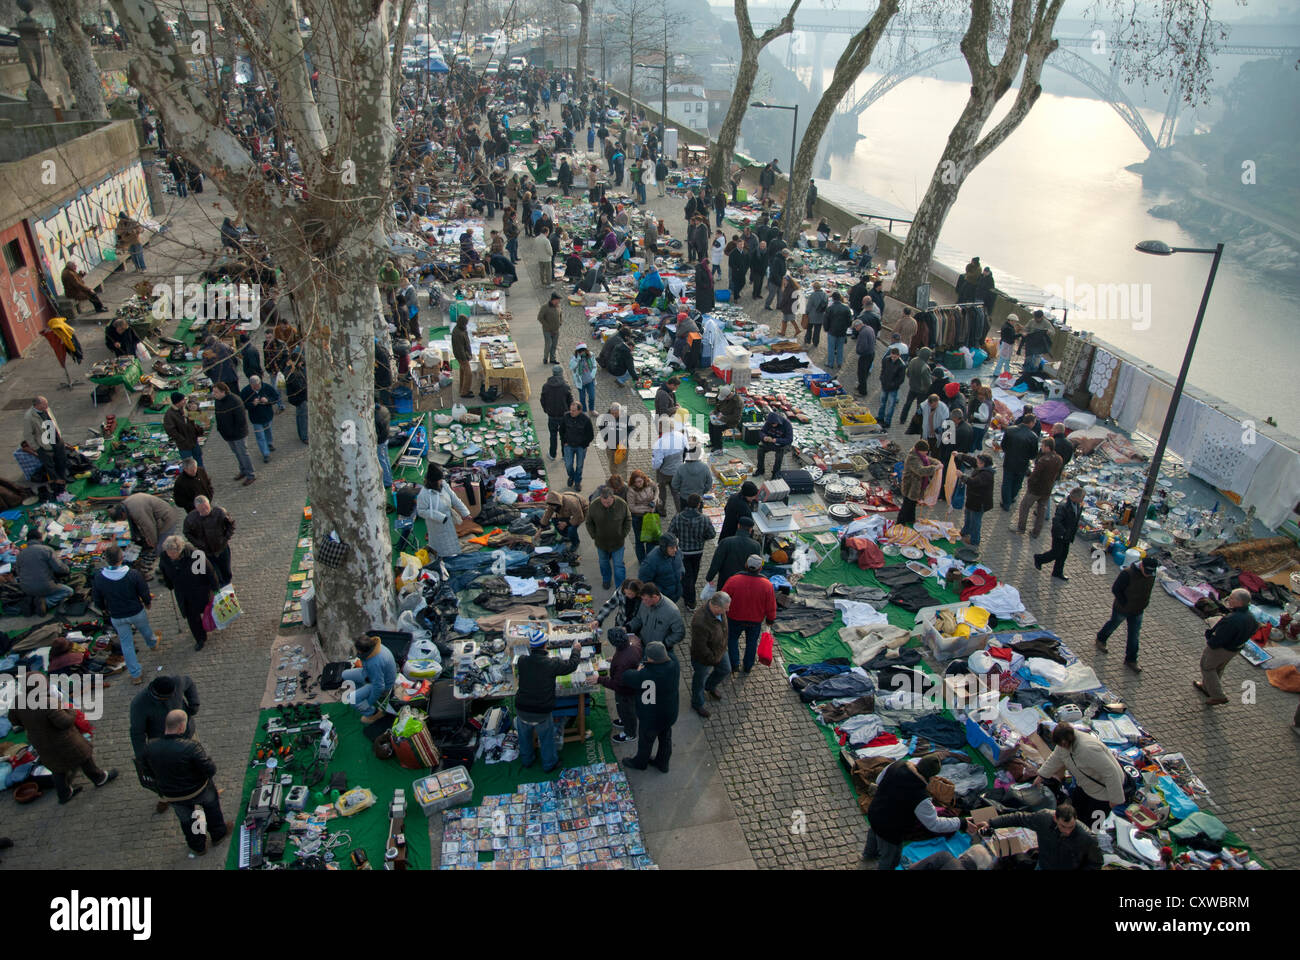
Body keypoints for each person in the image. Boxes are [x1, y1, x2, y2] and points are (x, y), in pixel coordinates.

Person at [10, 674, 118, 805]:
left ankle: (64, 794)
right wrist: (70, 710)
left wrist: (31, 726)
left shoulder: (18, 701)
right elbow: (65, 722)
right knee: (83, 756)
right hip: (62, 739)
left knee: (56, 767)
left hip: (39, 741)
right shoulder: (48, 702)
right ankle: (100, 778)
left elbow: (14, 719)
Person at [140, 709, 227, 857]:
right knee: (211, 807)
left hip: (173, 795)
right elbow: (210, 769)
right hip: (198, 789)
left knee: (187, 819)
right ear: (181, 727)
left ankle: (198, 846)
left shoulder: (150, 747)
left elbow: (147, 771)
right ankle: (218, 834)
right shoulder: (191, 747)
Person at [863, 755, 963, 869]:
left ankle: (868, 855)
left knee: (874, 833)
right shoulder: (921, 796)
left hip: (875, 812)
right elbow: (934, 824)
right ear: (931, 776)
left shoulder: (897, 765)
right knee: (889, 859)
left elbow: (879, 780)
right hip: (890, 830)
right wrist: (961, 822)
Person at [1033, 723, 1126, 826]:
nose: (1060, 747)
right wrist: (1041, 775)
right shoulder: (1063, 745)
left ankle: (1090, 838)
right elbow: (1055, 758)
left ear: (1065, 742)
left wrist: (1115, 798)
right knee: (1076, 812)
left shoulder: (1088, 749)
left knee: (1094, 823)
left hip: (1103, 794)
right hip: (1085, 786)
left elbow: (1111, 773)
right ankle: (1074, 829)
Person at [130, 675, 199, 812]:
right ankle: (165, 797)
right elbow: (137, 733)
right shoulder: (139, 704)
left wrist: (194, 705)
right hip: (162, 744)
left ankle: (200, 788)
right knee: (165, 774)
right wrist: (142, 757)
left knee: (195, 762)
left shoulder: (177, 681)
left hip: (187, 734)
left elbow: (190, 683)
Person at [515, 633, 583, 773]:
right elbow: (571, 665)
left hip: (522, 709)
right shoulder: (552, 664)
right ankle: (549, 764)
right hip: (541, 712)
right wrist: (576, 650)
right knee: (546, 739)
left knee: (524, 737)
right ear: (545, 645)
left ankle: (527, 760)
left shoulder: (522, 660)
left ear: (531, 646)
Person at [91, 545, 156, 685]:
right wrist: (147, 602)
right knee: (146, 630)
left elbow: (97, 598)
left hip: (117, 616)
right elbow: (143, 590)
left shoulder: (100, 578)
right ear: (122, 558)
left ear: (107, 560)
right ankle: (153, 644)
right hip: (136, 611)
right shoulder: (133, 574)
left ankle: (135, 675)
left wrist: (104, 609)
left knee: (126, 644)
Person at [983, 803, 1102, 870]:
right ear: (1055, 819)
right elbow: (1018, 818)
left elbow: (1095, 863)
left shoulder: (1087, 838)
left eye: (1071, 827)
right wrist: (991, 823)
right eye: (1063, 826)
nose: (1067, 831)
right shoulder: (1044, 818)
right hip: (1043, 865)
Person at [621, 641, 680, 773]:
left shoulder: (646, 674)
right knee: (665, 738)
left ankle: (640, 762)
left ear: (651, 659)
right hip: (669, 712)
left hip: (650, 717)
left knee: (646, 742)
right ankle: (663, 763)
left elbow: (627, 677)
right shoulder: (674, 664)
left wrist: (638, 669)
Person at [1194, 587, 1257, 707]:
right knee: (1218, 668)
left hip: (1221, 649)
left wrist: (1210, 641)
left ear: (1239, 602)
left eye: (1232, 598)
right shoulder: (1251, 618)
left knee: (1207, 667)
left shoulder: (1232, 619)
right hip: (1234, 649)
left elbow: (1218, 638)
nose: (1229, 600)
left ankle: (1218, 695)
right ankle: (1207, 687)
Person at [1095, 556, 1157, 672]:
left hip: (1138, 610)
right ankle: (1101, 638)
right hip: (1122, 609)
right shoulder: (1127, 574)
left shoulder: (1152, 574)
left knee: (1134, 636)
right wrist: (1124, 603)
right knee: (1113, 624)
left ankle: (1131, 660)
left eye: (1151, 572)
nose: (1148, 574)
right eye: (1146, 571)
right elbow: (1116, 589)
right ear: (1141, 565)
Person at [157, 535, 219, 651]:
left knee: (205, 609)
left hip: (199, 589)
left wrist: (215, 589)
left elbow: (210, 572)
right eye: (169, 554)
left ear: (179, 550)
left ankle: (210, 623)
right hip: (183, 593)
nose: (171, 557)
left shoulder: (195, 554)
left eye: (173, 554)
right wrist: (168, 583)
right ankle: (200, 638)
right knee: (192, 617)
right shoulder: (165, 557)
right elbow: (164, 569)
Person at [721, 554, 776, 674]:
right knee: (751, 643)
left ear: (746, 565)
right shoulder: (767, 585)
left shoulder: (733, 580)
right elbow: (771, 605)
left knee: (732, 639)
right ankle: (748, 666)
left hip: (734, 618)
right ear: (760, 568)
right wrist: (770, 619)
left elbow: (722, 597)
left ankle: (734, 663)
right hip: (755, 621)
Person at [668, 494, 716, 611]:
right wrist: (702, 537)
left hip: (683, 551)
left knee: (687, 574)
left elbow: (670, 533)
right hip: (698, 551)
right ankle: (691, 599)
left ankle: (687, 593)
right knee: (693, 572)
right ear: (699, 504)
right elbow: (712, 534)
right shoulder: (704, 519)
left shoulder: (678, 517)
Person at [416, 463, 471, 558]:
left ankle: (453, 554)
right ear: (434, 480)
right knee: (439, 542)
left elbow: (454, 498)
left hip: (448, 519)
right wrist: (440, 517)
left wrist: (465, 513)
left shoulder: (444, 485)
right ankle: (441, 556)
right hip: (435, 523)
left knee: (450, 539)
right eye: (440, 479)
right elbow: (421, 511)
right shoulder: (424, 494)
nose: (442, 481)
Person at [599, 628, 644, 744]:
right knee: (625, 709)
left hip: (625, 691)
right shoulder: (634, 640)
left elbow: (616, 684)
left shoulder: (622, 662)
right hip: (632, 685)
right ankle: (624, 721)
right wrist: (614, 659)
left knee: (627, 711)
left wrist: (599, 679)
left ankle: (630, 733)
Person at [15, 528, 75, 611]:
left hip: (26, 589)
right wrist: (67, 568)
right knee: (68, 591)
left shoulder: (20, 554)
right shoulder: (46, 550)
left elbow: (18, 573)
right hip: (46, 587)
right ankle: (46, 602)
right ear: (40, 538)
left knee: (42, 587)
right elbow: (59, 568)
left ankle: (33, 601)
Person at [342, 635, 397, 724]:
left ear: (362, 651)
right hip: (369, 674)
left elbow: (379, 687)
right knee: (344, 674)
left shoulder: (374, 663)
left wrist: (369, 702)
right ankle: (361, 695)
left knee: (351, 699)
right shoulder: (375, 648)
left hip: (383, 686)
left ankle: (374, 713)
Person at [585, 484, 632, 590]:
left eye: (609, 502)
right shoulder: (594, 505)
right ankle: (606, 579)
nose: (606, 504)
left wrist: (623, 533)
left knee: (618, 566)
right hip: (601, 543)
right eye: (604, 502)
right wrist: (594, 535)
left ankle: (620, 587)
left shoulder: (622, 504)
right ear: (600, 498)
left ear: (612, 497)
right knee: (603, 563)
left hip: (618, 542)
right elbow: (588, 522)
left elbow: (628, 519)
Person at [1032, 487, 1084, 581]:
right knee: (1056, 552)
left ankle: (1057, 572)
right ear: (1076, 497)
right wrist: (1063, 532)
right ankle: (1039, 558)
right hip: (1060, 534)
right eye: (1082, 497)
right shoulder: (1063, 506)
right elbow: (1056, 521)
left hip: (1068, 534)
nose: (1083, 500)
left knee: (1063, 554)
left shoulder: (1077, 505)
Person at [183, 495, 236, 586]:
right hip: (206, 551)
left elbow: (230, 525)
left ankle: (227, 585)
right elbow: (187, 533)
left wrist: (225, 538)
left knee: (226, 570)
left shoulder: (220, 512)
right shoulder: (190, 519)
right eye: (202, 509)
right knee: (214, 573)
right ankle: (220, 587)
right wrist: (198, 544)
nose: (205, 510)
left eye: (206, 507)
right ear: (196, 509)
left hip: (222, 548)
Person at [1016, 439, 1065, 538]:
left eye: (1042, 446)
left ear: (1047, 447)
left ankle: (1021, 528)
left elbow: (1035, 475)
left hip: (1036, 489)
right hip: (1047, 489)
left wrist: (1029, 484)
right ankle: (1036, 532)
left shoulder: (1043, 460)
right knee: (1041, 511)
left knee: (1025, 506)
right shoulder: (1059, 458)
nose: (1041, 448)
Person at [210, 381, 255, 485]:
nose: (214, 394)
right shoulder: (218, 401)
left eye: (216, 392)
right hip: (227, 434)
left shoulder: (235, 401)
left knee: (243, 454)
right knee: (237, 453)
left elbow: (240, 420)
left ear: (223, 392)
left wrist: (233, 431)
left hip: (238, 434)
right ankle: (243, 470)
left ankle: (251, 474)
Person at [23, 397, 69, 489]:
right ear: (37, 405)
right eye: (44, 404)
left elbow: (53, 421)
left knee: (62, 459)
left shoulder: (47, 409)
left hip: (56, 439)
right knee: (50, 464)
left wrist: (58, 434)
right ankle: (56, 482)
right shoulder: (29, 417)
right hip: (44, 444)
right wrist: (36, 447)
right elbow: (28, 434)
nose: (47, 406)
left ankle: (63, 477)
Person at [112, 491, 177, 555]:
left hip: (166, 518)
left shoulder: (136, 510)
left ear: (122, 513)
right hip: (158, 518)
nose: (124, 519)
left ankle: (173, 559)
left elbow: (149, 527)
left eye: (123, 518)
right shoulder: (126, 504)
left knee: (160, 550)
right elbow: (141, 525)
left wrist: (153, 543)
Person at [999, 415, 1040, 511]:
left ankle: (1006, 502)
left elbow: (1003, 445)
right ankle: (1011, 498)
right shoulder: (1033, 436)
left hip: (1009, 461)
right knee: (1017, 482)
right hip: (1022, 464)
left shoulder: (1010, 430)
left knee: (1007, 482)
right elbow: (1033, 454)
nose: (1034, 425)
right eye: (1034, 423)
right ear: (1030, 423)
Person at [957, 453, 995, 549]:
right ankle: (965, 531)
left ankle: (974, 541)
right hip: (973, 500)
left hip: (979, 502)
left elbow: (973, 482)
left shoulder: (986, 475)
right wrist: (959, 455)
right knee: (968, 516)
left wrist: (962, 476)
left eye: (978, 462)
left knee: (975, 521)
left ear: (983, 464)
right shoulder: (982, 467)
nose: (976, 463)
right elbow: (972, 460)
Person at [898, 440, 940, 526]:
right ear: (920, 450)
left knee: (912, 506)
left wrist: (937, 463)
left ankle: (910, 522)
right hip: (910, 487)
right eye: (925, 451)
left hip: (915, 487)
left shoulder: (919, 456)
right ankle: (900, 524)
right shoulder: (912, 458)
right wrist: (935, 468)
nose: (926, 453)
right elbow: (920, 471)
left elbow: (928, 459)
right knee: (906, 507)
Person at [651, 422, 687, 513]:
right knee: (676, 493)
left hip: (664, 472)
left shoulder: (660, 442)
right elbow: (686, 449)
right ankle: (680, 512)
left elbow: (657, 464)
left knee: (661, 492)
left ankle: (661, 510)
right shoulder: (680, 436)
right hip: (677, 469)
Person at [638, 535, 685, 605]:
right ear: (664, 548)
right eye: (672, 548)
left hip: (676, 592)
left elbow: (681, 562)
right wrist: (658, 592)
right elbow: (644, 580)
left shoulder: (676, 551)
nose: (675, 550)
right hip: (663, 598)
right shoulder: (651, 560)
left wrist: (682, 572)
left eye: (676, 546)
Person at [625, 470, 659, 564]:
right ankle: (642, 561)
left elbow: (656, 489)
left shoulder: (649, 482)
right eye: (637, 482)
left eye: (640, 481)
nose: (639, 484)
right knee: (639, 540)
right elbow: (631, 507)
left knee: (650, 540)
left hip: (650, 516)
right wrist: (646, 509)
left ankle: (649, 559)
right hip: (638, 517)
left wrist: (655, 500)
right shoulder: (631, 490)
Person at [163, 392, 205, 468]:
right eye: (183, 400)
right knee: (188, 465)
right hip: (184, 445)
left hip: (193, 441)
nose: (185, 401)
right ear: (177, 402)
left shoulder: (186, 408)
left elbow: (198, 415)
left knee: (199, 461)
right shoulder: (170, 414)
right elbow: (170, 431)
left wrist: (196, 409)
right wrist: (182, 440)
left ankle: (202, 476)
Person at [560, 401, 595, 490]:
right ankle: (571, 476)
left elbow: (590, 435)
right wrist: (564, 441)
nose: (571, 412)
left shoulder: (586, 419)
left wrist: (584, 445)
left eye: (574, 411)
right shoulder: (566, 416)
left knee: (579, 466)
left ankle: (577, 481)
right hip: (568, 445)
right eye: (571, 410)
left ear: (580, 411)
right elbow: (561, 430)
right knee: (568, 465)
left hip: (580, 447)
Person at [540, 365, 573, 460]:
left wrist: (546, 410)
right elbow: (570, 400)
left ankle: (552, 454)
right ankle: (564, 455)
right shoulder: (565, 386)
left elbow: (542, 400)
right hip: (563, 415)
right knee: (564, 436)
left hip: (552, 415)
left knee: (553, 435)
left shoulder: (546, 386)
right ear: (561, 373)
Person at [671, 442, 714, 512]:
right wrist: (702, 491)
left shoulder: (681, 468)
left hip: (684, 498)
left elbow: (674, 485)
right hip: (698, 498)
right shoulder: (705, 467)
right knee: (698, 516)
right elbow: (709, 484)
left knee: (684, 516)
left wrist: (682, 491)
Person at [899, 347, 933, 425]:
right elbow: (928, 383)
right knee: (919, 407)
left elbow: (907, 373)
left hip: (912, 387)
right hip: (921, 391)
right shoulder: (925, 366)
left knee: (907, 404)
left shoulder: (913, 361)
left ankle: (902, 419)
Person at [756, 409, 793, 479]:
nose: (772, 425)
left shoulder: (787, 424)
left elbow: (789, 439)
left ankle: (775, 472)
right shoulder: (769, 423)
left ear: (778, 421)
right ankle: (760, 469)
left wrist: (777, 440)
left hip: (783, 445)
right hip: (771, 443)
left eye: (774, 424)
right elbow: (762, 431)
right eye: (771, 424)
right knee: (760, 449)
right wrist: (764, 437)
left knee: (779, 454)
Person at [876, 346, 907, 429]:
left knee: (891, 406)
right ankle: (880, 418)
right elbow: (883, 370)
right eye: (892, 356)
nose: (893, 358)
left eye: (895, 357)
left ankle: (887, 422)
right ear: (890, 354)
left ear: (899, 356)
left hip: (893, 389)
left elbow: (901, 379)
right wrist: (882, 378)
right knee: (882, 402)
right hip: (885, 385)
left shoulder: (902, 365)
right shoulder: (886, 360)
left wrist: (893, 385)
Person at [823, 292, 854, 370]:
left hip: (832, 331)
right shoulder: (846, 308)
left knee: (831, 348)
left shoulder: (830, 308)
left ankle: (830, 363)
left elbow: (826, 321)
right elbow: (850, 321)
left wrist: (826, 329)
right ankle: (839, 363)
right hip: (842, 331)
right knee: (840, 347)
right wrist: (846, 327)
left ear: (833, 299)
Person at [451, 315, 475, 398]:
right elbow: (460, 348)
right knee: (469, 374)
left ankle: (462, 388)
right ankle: (465, 392)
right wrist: (465, 358)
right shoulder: (458, 333)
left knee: (463, 371)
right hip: (461, 356)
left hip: (462, 355)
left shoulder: (460, 329)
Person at [570, 343, 597, 413]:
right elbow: (571, 367)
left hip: (590, 380)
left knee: (592, 397)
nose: (582, 352)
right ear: (577, 351)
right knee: (582, 398)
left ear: (585, 350)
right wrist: (578, 360)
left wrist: (592, 375)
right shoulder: (574, 358)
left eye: (583, 351)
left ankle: (591, 409)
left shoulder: (591, 355)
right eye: (580, 351)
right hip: (580, 382)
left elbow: (594, 365)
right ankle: (584, 411)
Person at [853, 319, 877, 398]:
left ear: (858, 325)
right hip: (871, 353)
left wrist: (858, 351)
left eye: (855, 328)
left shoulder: (863, 333)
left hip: (865, 355)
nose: (855, 329)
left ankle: (862, 391)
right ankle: (861, 386)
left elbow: (863, 346)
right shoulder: (869, 328)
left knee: (861, 374)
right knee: (865, 372)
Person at [537, 291, 563, 365]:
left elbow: (560, 314)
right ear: (554, 299)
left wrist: (560, 322)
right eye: (558, 300)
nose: (559, 301)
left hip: (556, 330)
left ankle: (552, 358)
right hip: (547, 330)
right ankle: (545, 358)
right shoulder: (545, 307)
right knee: (548, 344)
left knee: (554, 345)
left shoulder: (558, 306)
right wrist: (547, 326)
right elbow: (540, 317)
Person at [802, 280, 828, 348]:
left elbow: (809, 306)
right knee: (817, 330)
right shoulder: (825, 295)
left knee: (809, 329)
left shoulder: (813, 295)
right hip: (821, 315)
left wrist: (806, 312)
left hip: (812, 315)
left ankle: (807, 340)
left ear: (814, 287)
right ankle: (815, 342)